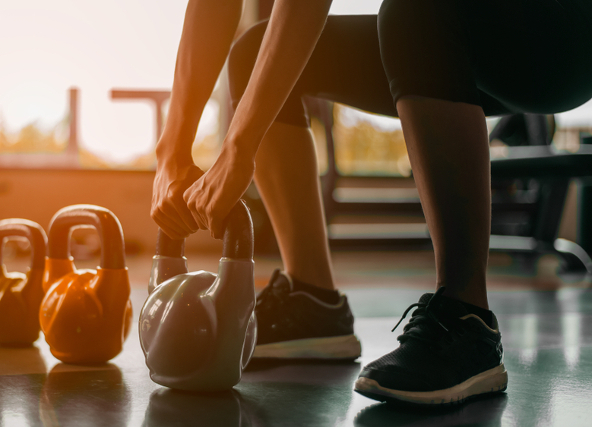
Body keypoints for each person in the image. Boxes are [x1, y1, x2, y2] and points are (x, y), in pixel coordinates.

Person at [151, 0, 592, 405]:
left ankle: (467, 319)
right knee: (252, 53)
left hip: (561, 34)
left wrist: (237, 148)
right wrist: (171, 152)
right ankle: (314, 304)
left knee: (414, 9)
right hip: (443, 34)